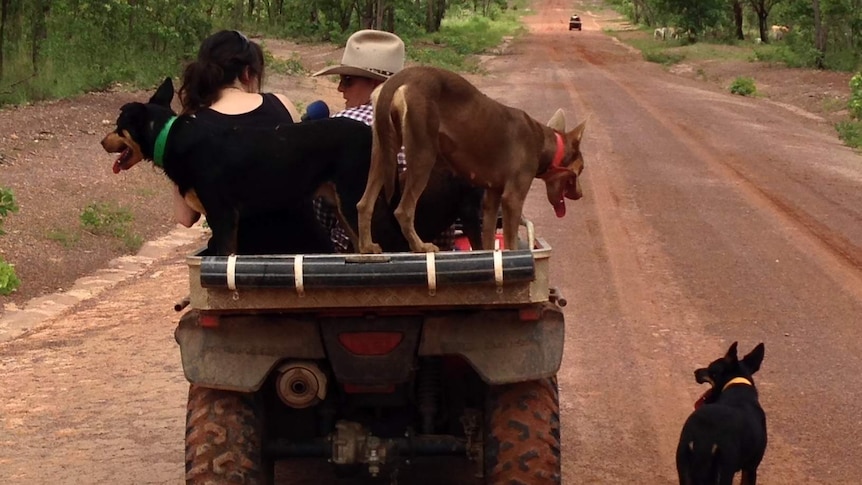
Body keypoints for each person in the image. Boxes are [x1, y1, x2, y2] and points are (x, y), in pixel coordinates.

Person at [174, 29, 332, 254]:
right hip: (306, 254)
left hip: (238, 265)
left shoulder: (189, 127)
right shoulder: (282, 105)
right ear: (248, 73)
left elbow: (185, 217)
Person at [311, 29, 426, 252]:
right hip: (426, 261)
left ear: (375, 84)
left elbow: (321, 213)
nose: (340, 89)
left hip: (354, 262)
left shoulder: (339, 127)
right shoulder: (430, 129)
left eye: (347, 81)